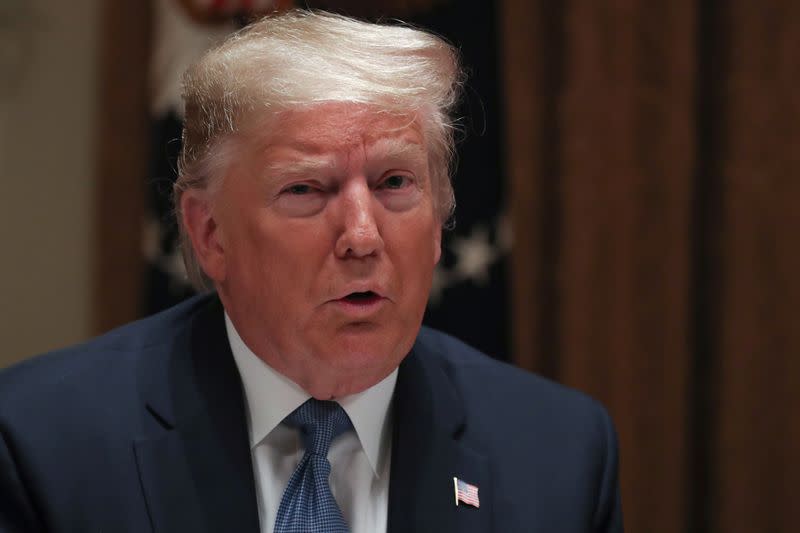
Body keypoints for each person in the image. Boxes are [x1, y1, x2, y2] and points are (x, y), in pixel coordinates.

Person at [0, 10, 623, 533]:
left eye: (396, 183)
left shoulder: (560, 456)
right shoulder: (41, 444)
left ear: (439, 223)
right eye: (305, 189)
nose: (361, 235)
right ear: (209, 232)